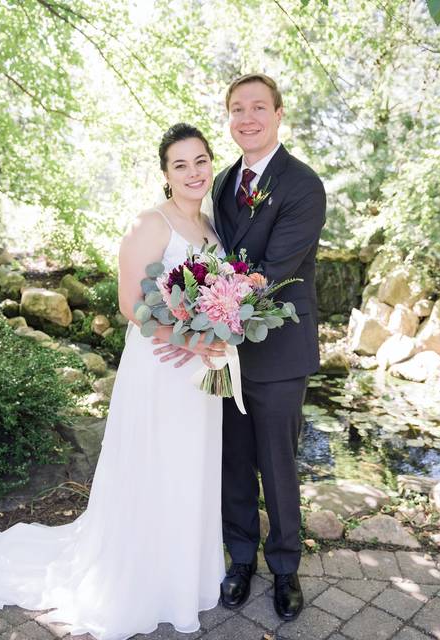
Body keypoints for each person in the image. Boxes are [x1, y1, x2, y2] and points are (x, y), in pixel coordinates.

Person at [0, 123, 228, 640]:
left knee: (190, 467)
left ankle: (182, 575)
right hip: (162, 368)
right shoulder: (151, 224)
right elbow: (130, 305)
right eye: (180, 165)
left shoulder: (213, 230)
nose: (193, 172)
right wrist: (190, 339)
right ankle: (140, 579)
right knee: (154, 466)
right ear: (166, 175)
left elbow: (217, 300)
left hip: (199, 374)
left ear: (212, 163)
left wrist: (217, 332)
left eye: (200, 161)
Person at [153, 74, 327, 621]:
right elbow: (207, 261)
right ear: (228, 119)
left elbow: (273, 272)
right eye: (236, 109)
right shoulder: (221, 182)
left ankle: (285, 569)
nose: (246, 117)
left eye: (258, 107)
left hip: (277, 353)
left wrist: (214, 306)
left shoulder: (302, 185)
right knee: (232, 461)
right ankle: (240, 561)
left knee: (277, 465)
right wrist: (197, 319)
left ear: (278, 114)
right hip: (221, 352)